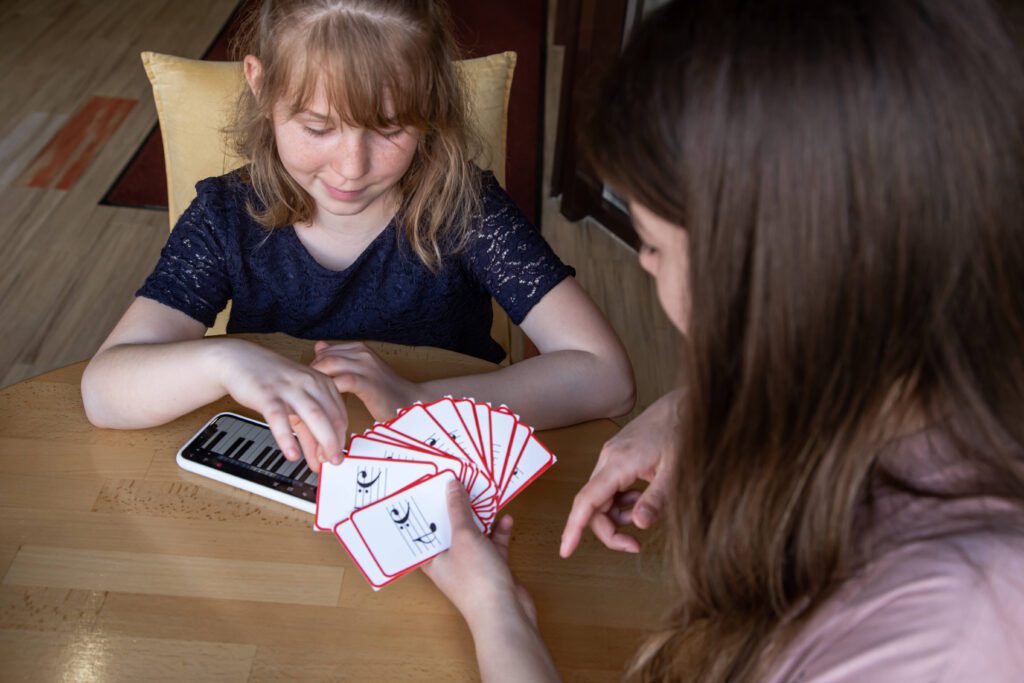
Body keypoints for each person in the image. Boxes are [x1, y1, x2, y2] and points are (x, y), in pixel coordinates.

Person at [423, 0, 1024, 680]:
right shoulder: (941, 393)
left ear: (779, 279)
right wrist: (699, 405)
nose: (645, 267)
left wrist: (496, 610)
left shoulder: (952, 634)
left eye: (652, 245)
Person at [80, 0, 635, 472]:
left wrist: (417, 401)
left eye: (390, 128)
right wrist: (227, 360)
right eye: (318, 128)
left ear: (433, 102)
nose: (351, 168)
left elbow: (607, 376)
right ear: (260, 85)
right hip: (288, 471)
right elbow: (103, 391)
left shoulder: (467, 208)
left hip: (431, 470)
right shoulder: (226, 214)